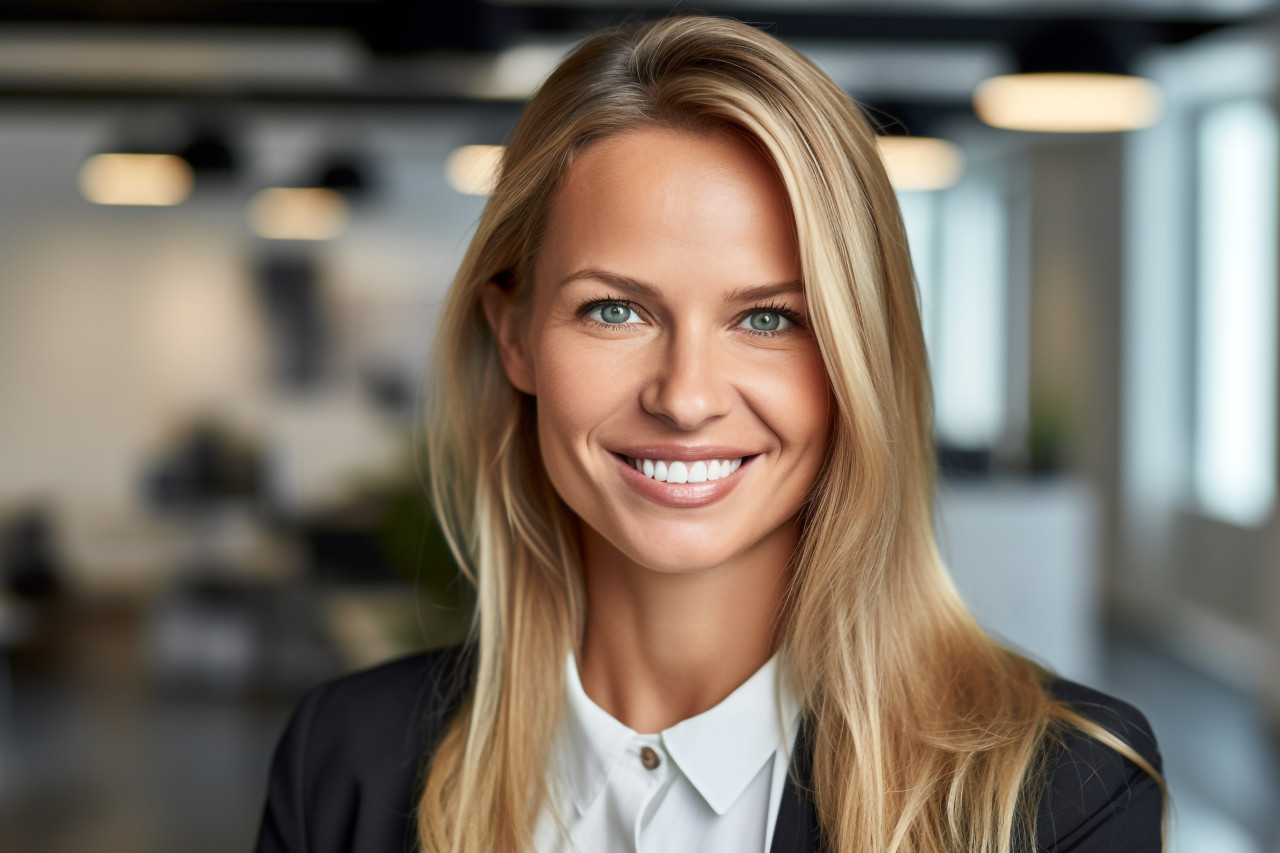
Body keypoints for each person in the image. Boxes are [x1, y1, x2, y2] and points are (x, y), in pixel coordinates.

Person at [255, 14, 1164, 853]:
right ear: (515, 337)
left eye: (769, 319)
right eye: (614, 310)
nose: (685, 397)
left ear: (862, 355)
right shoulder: (343, 763)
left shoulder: (1057, 794)